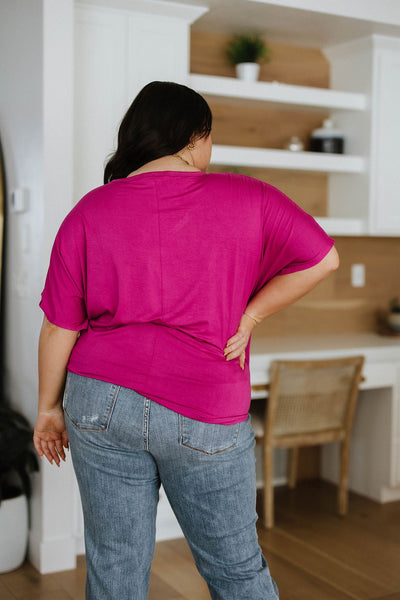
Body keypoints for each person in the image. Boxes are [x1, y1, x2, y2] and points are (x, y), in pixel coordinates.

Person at [34, 81, 339, 600]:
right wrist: (253, 315)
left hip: (100, 401)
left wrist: (48, 409)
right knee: (236, 569)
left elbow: (60, 325)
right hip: (205, 402)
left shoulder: (90, 210)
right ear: (195, 137)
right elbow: (323, 259)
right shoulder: (248, 196)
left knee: (114, 567)